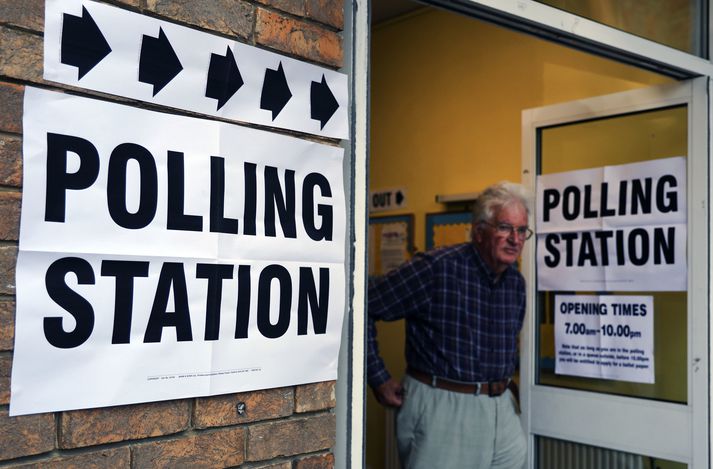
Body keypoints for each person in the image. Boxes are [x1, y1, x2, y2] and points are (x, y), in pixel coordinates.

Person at [367, 181, 532, 469]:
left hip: (501, 409)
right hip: (443, 407)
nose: (515, 239)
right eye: (505, 227)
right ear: (479, 231)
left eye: (521, 231)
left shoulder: (515, 283)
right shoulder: (436, 268)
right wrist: (378, 377)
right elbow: (364, 305)